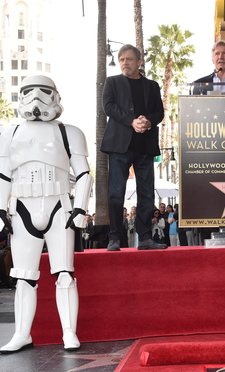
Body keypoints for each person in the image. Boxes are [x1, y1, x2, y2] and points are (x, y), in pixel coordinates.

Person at [0, 74, 94, 353]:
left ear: (55, 96)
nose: (36, 97)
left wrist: (80, 209)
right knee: (24, 276)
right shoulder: (10, 134)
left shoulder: (69, 132)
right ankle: (21, 333)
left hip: (58, 206)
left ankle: (69, 332)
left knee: (64, 273)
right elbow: (2, 175)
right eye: (29, 91)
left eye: (43, 92)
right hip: (23, 207)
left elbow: (84, 174)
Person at [100, 43, 166, 251]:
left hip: (145, 147)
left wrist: (148, 122)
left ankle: (145, 237)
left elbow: (159, 112)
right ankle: (114, 238)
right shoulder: (112, 82)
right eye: (121, 60)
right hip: (120, 146)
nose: (124, 63)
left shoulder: (152, 86)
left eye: (129, 59)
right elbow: (108, 106)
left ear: (139, 61)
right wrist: (132, 121)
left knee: (146, 193)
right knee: (115, 193)